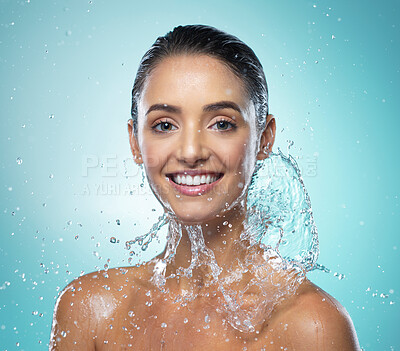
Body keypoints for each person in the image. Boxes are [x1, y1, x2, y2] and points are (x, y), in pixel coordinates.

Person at [50, 25, 360, 350]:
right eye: (165, 125)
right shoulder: (91, 309)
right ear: (135, 142)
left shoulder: (312, 326)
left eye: (221, 124)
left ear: (264, 138)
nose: (190, 152)